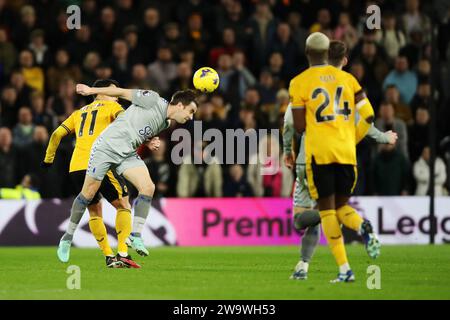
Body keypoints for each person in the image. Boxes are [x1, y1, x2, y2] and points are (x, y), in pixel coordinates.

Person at [284, 40, 397, 280]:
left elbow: (293, 124)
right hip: (346, 155)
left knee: (311, 217)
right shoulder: (349, 81)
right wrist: (366, 137)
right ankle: (312, 264)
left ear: (307, 53)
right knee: (339, 207)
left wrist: (287, 150)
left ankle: (338, 268)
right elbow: (367, 116)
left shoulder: (300, 82)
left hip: (313, 157)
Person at [73, 83, 198, 268]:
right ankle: (75, 239)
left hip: (125, 155)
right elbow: (122, 92)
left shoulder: (165, 123)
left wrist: (149, 141)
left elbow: (138, 127)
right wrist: (91, 91)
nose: (191, 117)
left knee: (147, 187)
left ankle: (135, 236)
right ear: (180, 105)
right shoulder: (152, 98)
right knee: (92, 198)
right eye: (191, 111)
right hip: (106, 149)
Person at [42, 79, 140, 268]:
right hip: (100, 162)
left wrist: (48, 159)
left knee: (95, 210)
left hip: (77, 167)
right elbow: (128, 123)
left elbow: (56, 134)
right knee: (124, 205)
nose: (118, 98)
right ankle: (122, 253)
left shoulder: (78, 113)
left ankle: (108, 256)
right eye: (115, 93)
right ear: (102, 92)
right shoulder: (111, 108)